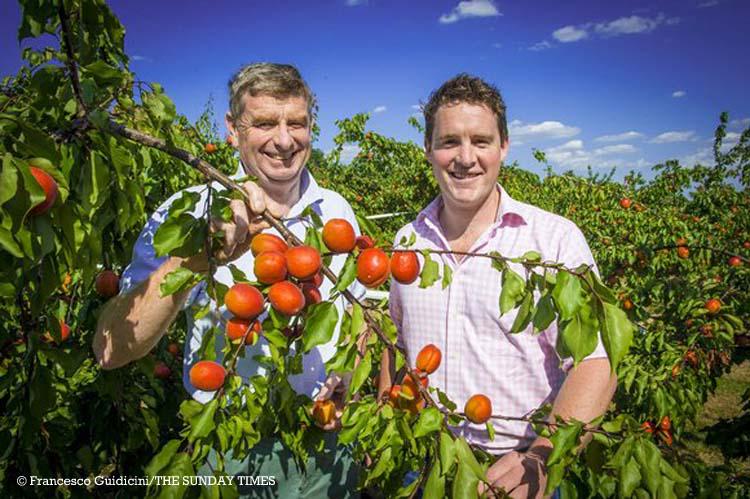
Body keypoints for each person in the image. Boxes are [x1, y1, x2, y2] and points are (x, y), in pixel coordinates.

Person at [94, 63, 363, 498]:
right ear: (233, 130)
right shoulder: (189, 213)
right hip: (233, 449)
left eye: (297, 123)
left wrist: (348, 375)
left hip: (329, 446)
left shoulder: (337, 212)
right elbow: (110, 349)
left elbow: (356, 315)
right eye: (264, 123)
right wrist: (197, 257)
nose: (284, 140)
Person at [380, 74, 617, 498]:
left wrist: (541, 458)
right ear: (428, 149)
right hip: (420, 461)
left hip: (515, 470)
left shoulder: (553, 241)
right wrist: (385, 418)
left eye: (481, 141)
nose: (465, 157)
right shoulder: (407, 241)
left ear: (503, 146)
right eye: (449, 141)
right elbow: (395, 339)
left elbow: (595, 363)